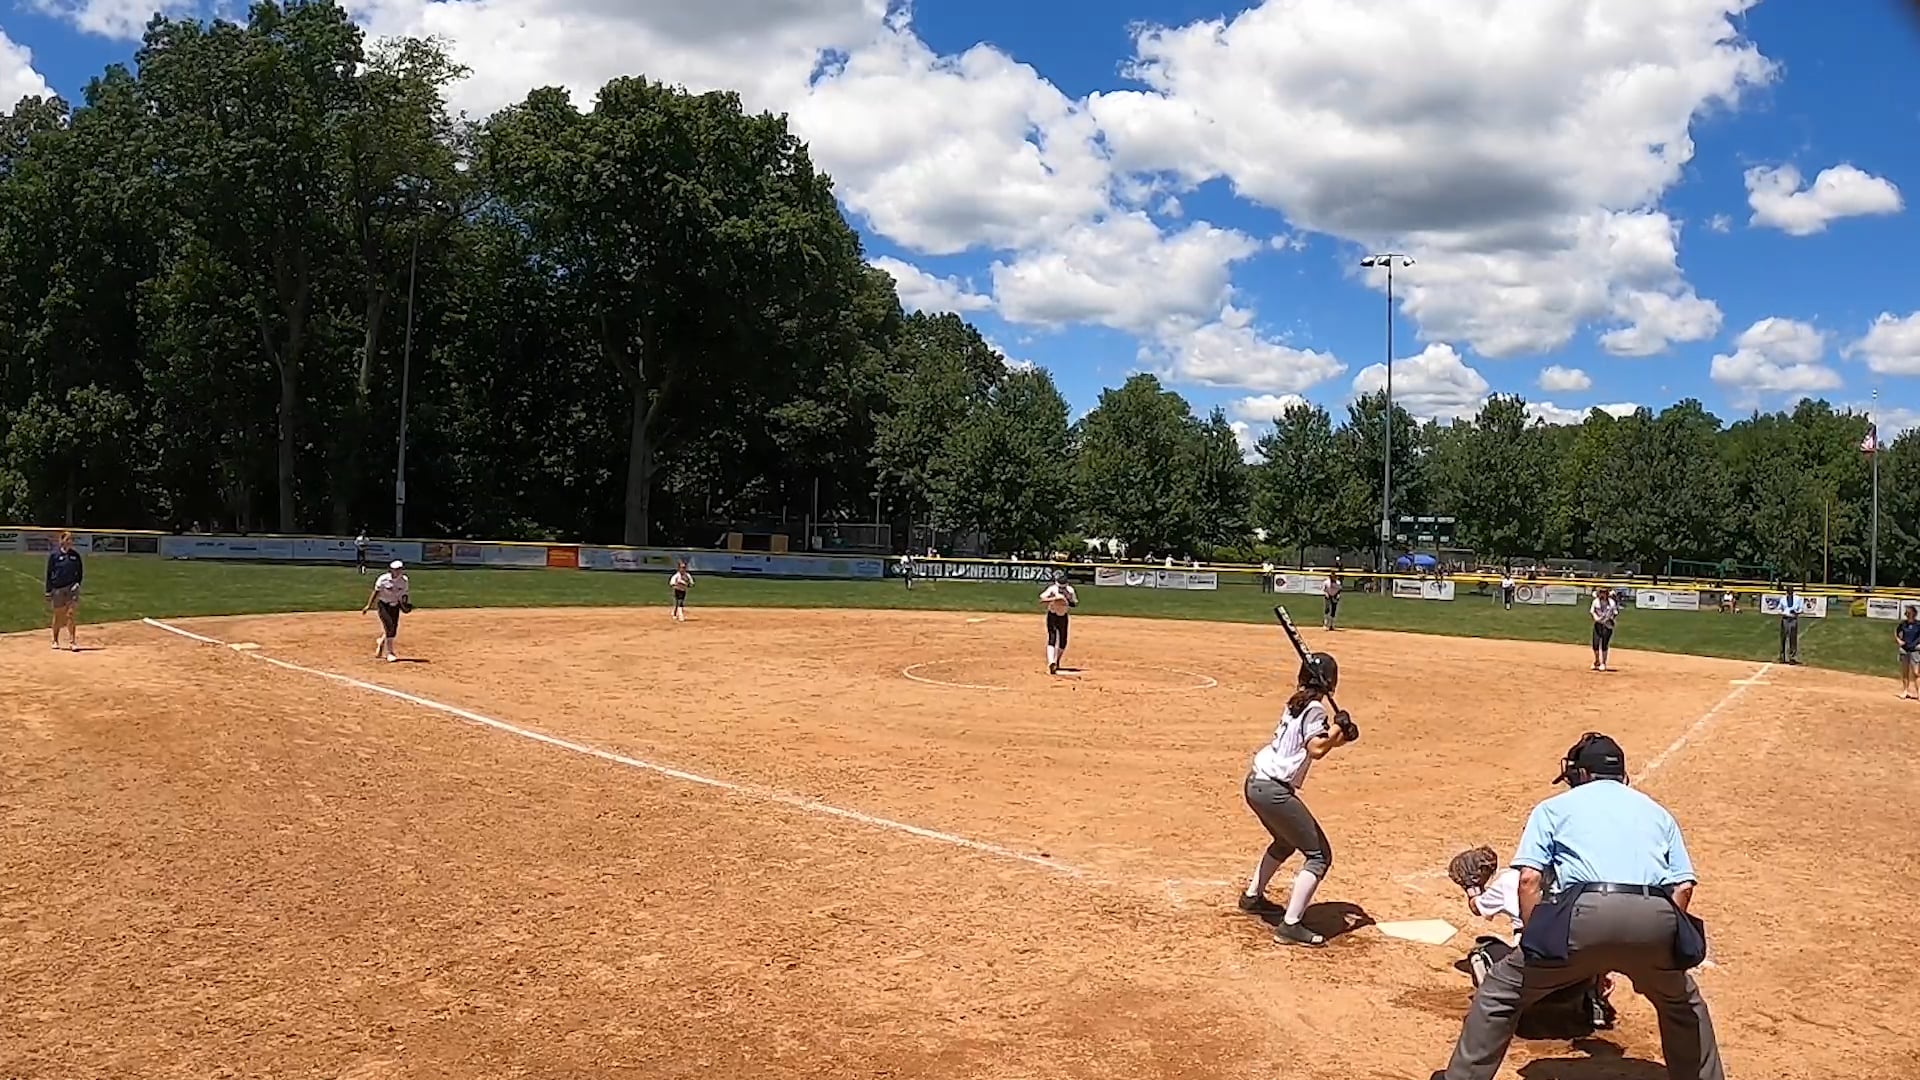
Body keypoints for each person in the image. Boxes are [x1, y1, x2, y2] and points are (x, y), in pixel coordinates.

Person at [1433, 733, 1722, 1080]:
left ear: (1582, 774)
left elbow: (1528, 880)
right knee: (1683, 1004)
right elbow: (1683, 886)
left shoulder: (1554, 808)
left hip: (1584, 917)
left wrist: (1537, 942)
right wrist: (1662, 942)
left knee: (1499, 993)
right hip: (1655, 916)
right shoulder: (1658, 813)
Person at [1238, 651, 1354, 947]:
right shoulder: (1315, 709)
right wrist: (1338, 727)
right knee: (1319, 855)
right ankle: (1290, 925)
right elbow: (1316, 749)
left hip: (1256, 783)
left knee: (1284, 842)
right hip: (1273, 791)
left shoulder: (1297, 703)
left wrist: (1341, 736)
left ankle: (1252, 898)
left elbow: (1315, 743)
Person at [1446, 845, 1616, 1036]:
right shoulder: (1582, 878)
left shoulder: (1511, 879)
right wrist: (1602, 970)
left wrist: (1472, 888)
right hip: (1576, 984)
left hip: (1532, 981)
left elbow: (1477, 907)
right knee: (1587, 945)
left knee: (1481, 951)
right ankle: (1595, 1005)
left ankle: (1497, 1014)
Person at [361, 559, 411, 663]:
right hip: (383, 604)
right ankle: (390, 653)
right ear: (391, 569)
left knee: (393, 629)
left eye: (400, 569)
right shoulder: (383, 579)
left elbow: (404, 594)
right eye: (395, 569)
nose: (398, 571)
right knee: (389, 625)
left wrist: (404, 605)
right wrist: (368, 605)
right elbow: (376, 592)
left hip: (395, 605)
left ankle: (381, 642)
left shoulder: (404, 580)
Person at [44, 530, 84, 652]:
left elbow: (80, 572)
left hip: (71, 588)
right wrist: (48, 590)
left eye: (71, 539)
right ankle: (55, 640)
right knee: (58, 615)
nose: (70, 542)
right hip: (58, 588)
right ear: (62, 541)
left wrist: (77, 583)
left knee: (70, 614)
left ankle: (72, 641)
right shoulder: (54, 555)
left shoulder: (75, 556)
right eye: (67, 539)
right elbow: (49, 573)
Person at [1040, 570, 1077, 674]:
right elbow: (1042, 599)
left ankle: (1056, 661)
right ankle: (1051, 662)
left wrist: (1067, 599)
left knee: (1063, 640)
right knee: (1052, 638)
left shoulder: (1070, 590)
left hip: (1063, 616)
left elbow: (1074, 604)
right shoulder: (1052, 589)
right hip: (1052, 615)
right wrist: (1054, 599)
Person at [1589, 587, 1620, 672]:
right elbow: (1592, 611)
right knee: (1595, 644)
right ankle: (1597, 661)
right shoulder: (1595, 601)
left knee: (1604, 644)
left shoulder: (1611, 603)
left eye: (1604, 592)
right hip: (1598, 624)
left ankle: (1603, 663)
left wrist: (1610, 619)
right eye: (1601, 592)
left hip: (1607, 625)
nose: (1602, 594)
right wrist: (1596, 618)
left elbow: (1615, 613)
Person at [1778, 584, 1806, 665]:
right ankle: (1782, 657)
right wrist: (1783, 612)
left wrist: (1796, 612)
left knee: (1792, 638)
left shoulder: (1798, 598)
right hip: (1785, 618)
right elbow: (1779, 608)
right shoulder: (1783, 599)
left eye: (1790, 591)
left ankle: (1792, 658)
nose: (1789, 592)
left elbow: (1801, 609)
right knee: (1783, 638)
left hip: (1793, 619)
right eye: (1788, 591)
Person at [1897, 606, 1920, 700]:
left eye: (1908, 612)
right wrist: (1899, 640)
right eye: (1906, 613)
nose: (1906, 614)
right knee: (1905, 671)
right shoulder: (1903, 624)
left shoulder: (1918, 625)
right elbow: (1896, 632)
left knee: (1916, 672)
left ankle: (1919, 692)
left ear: (1914, 613)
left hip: (1915, 650)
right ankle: (1905, 691)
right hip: (1904, 649)